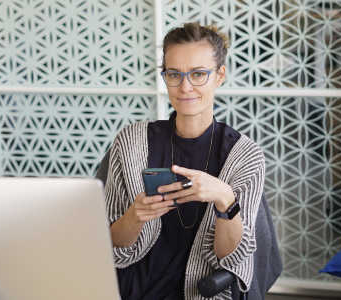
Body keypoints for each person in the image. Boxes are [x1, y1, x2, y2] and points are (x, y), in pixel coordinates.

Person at [104, 23, 265, 299]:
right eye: (174, 74)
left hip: (200, 292)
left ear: (219, 76)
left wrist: (225, 199)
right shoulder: (131, 141)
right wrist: (135, 216)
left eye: (199, 74)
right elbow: (110, 240)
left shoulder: (245, 155)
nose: (185, 87)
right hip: (132, 287)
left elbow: (231, 258)